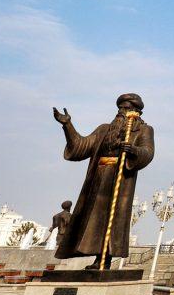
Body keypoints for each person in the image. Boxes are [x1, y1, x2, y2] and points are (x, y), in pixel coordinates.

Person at [52, 93, 155, 268]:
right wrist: (67, 125)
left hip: (119, 180)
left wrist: (133, 150)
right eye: (120, 108)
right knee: (91, 217)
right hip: (97, 179)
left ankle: (104, 259)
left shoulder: (144, 130)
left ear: (136, 112)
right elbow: (80, 146)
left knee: (112, 218)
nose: (121, 111)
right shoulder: (104, 130)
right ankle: (92, 256)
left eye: (126, 108)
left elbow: (148, 152)